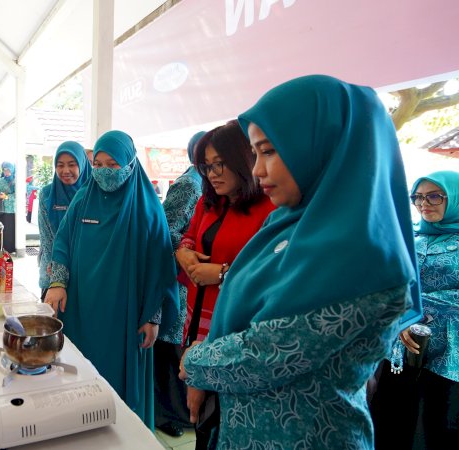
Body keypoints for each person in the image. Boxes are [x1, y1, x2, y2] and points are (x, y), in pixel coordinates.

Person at [179, 75, 421, 449]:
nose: (257, 170)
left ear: (321, 145)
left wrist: (198, 360)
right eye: (255, 154)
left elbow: (270, 354)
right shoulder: (287, 223)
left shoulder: (360, 255)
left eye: (269, 151)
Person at [44, 130, 179, 429]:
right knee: (81, 380)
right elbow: (62, 242)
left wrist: (153, 316)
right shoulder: (83, 198)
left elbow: (160, 268)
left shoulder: (147, 209)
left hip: (126, 317)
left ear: (131, 164)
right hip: (81, 310)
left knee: (118, 394)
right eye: (99, 164)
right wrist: (57, 282)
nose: (104, 172)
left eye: (113, 165)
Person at [174, 122, 275, 447]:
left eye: (220, 163)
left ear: (243, 159)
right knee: (202, 417)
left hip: (234, 329)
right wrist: (185, 256)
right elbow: (189, 237)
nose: (213, 173)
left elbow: (273, 273)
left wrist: (221, 274)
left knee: (220, 414)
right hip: (196, 320)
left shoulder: (269, 209)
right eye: (206, 166)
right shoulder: (209, 202)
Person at [371, 171, 459, 448]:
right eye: (418, 197)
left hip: (450, 353)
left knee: (439, 425)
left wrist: (426, 309)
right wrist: (401, 317)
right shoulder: (408, 236)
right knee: (391, 420)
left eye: (435, 196)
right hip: (400, 344)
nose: (424, 203)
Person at [152, 131, 204, 438]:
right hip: (179, 278)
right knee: (169, 349)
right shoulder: (190, 184)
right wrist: (188, 251)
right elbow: (167, 230)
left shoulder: (203, 184)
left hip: (189, 279)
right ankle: (166, 413)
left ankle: (177, 411)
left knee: (176, 348)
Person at [37, 141, 91, 299]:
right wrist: (54, 274)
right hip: (53, 270)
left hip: (85, 273)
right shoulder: (47, 194)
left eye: (72, 165)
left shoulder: (93, 194)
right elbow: (47, 239)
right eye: (60, 165)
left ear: (82, 164)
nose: (65, 170)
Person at [0, 161, 17, 252]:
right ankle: (2, 248)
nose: (6, 172)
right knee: (2, 229)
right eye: (4, 170)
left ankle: (10, 249)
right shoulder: (1, 180)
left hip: (11, 209)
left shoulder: (15, 181)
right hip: (1, 208)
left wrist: (7, 196)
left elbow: (17, 195)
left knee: (9, 229)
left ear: (12, 170)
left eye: (8, 170)